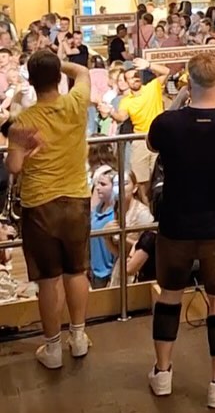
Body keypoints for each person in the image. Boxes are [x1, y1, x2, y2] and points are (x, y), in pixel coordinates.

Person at [146, 52, 215, 407]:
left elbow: (152, 143)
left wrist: (182, 99)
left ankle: (163, 374)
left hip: (175, 224)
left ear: (188, 81)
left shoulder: (168, 125)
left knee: (169, 295)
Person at [5, 52, 92, 369]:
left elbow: (14, 166)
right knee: (76, 271)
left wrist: (21, 150)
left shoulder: (23, 121)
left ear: (31, 80)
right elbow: (82, 71)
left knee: (48, 280)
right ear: (58, 77)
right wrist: (58, 62)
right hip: (77, 199)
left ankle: (53, 348)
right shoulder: (76, 102)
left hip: (39, 204)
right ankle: (79, 337)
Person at [100, 58, 170, 202]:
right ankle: (148, 212)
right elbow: (121, 117)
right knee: (141, 181)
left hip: (160, 138)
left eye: (136, 76)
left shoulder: (152, 87)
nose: (134, 79)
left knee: (162, 177)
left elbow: (166, 71)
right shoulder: (126, 101)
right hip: (141, 141)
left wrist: (149, 65)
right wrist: (110, 111)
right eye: (130, 78)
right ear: (126, 83)